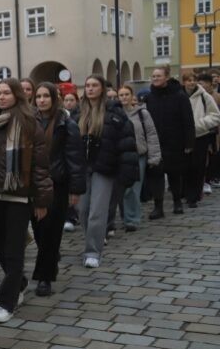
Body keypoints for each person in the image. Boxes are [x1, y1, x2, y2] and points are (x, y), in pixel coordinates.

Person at [0, 79, 52, 322]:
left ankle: (7, 301)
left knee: (14, 250)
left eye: (7, 93)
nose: (2, 97)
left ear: (16, 96)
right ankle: (19, 282)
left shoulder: (29, 122)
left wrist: (42, 200)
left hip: (19, 196)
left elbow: (40, 165)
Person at [76, 75, 138, 268]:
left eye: (94, 85)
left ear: (102, 88)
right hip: (82, 168)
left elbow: (127, 142)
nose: (90, 89)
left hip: (105, 168)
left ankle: (93, 251)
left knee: (97, 211)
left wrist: (127, 172)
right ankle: (92, 239)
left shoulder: (114, 112)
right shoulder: (78, 112)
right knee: (83, 210)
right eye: (87, 85)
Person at [32, 83, 84, 296]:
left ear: (54, 98)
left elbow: (75, 158)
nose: (41, 100)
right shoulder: (30, 121)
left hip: (57, 185)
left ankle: (45, 278)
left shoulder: (66, 122)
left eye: (46, 96)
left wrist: (75, 189)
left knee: (51, 233)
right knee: (38, 231)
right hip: (35, 185)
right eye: (38, 96)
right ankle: (48, 266)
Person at [146, 66, 195, 218]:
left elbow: (188, 121)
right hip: (155, 143)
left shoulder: (179, 96)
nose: (155, 79)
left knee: (174, 174)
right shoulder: (149, 97)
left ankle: (177, 202)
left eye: (158, 76)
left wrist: (189, 143)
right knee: (156, 175)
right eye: (153, 76)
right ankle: (158, 207)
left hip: (175, 141)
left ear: (167, 77)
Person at [117, 84, 161, 231]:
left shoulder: (142, 113)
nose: (123, 97)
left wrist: (154, 156)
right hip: (120, 156)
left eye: (126, 94)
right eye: (121, 95)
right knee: (122, 189)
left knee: (133, 189)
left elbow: (151, 134)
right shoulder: (115, 113)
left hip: (138, 155)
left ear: (132, 96)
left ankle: (132, 219)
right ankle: (125, 215)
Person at [184, 73, 220, 208]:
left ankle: (194, 196)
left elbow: (216, 116)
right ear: (184, 82)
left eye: (193, 80)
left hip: (201, 136)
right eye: (188, 80)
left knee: (198, 166)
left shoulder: (205, 96)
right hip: (183, 136)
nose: (191, 83)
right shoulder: (180, 96)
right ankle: (187, 193)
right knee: (185, 166)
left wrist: (199, 125)